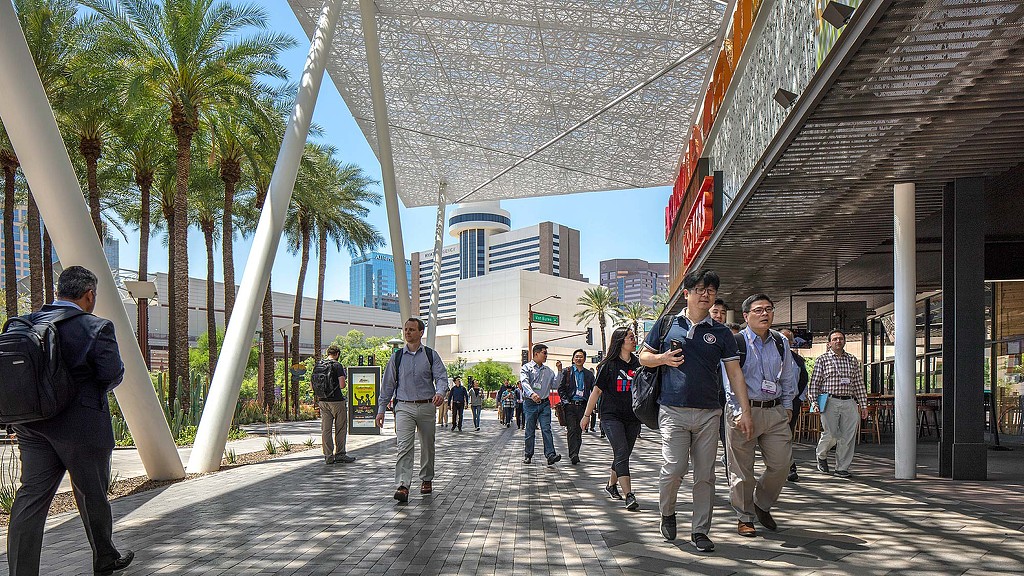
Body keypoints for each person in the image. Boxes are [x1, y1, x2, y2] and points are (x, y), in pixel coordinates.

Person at [7, 266, 135, 576]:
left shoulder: (25, 323)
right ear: (89, 295)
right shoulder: (96, 327)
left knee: (30, 498)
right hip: (83, 428)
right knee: (93, 495)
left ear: (59, 292)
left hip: (33, 427)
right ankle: (105, 559)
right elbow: (111, 374)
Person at [639, 269, 753, 553]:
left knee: (705, 475)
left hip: (709, 413)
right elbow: (643, 357)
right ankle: (667, 512)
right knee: (674, 469)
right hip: (672, 410)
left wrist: (745, 410)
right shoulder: (667, 324)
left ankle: (700, 530)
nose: (706, 294)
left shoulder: (721, 332)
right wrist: (663, 358)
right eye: (700, 289)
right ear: (686, 293)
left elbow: (735, 373)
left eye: (711, 290)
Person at [723, 294, 797, 537]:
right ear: (746, 316)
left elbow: (788, 376)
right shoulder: (735, 342)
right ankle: (745, 517)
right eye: (758, 310)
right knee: (742, 469)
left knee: (782, 464)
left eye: (768, 309)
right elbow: (729, 382)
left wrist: (787, 406)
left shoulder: (780, 341)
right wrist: (739, 412)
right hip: (744, 411)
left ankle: (761, 503)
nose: (765, 314)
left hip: (774, 411)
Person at [375, 318, 450, 502]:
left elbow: (441, 377)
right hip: (404, 407)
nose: (407, 332)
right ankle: (403, 485)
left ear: (421, 332)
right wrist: (381, 409)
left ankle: (426, 479)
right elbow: (388, 384)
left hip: (426, 406)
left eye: (411, 329)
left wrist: (440, 393)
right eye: (406, 329)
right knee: (404, 446)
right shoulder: (397, 357)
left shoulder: (431, 355)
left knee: (427, 445)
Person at [583, 328, 642, 511]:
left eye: (634, 337)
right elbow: (597, 391)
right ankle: (629, 495)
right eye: (630, 337)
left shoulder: (638, 364)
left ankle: (611, 485)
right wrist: (586, 415)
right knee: (622, 451)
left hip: (633, 417)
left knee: (623, 454)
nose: (634, 340)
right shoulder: (608, 365)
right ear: (620, 341)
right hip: (611, 416)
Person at [808, 329, 868, 478]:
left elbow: (859, 384)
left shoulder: (852, 360)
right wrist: (814, 402)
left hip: (849, 401)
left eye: (840, 338)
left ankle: (842, 467)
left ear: (844, 341)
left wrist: (863, 405)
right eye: (834, 339)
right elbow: (814, 383)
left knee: (848, 436)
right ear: (829, 343)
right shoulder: (822, 359)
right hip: (830, 401)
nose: (838, 341)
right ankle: (821, 454)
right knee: (832, 433)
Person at [520, 343, 561, 465]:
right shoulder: (526, 368)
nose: (546, 355)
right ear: (536, 353)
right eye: (544, 353)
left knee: (546, 429)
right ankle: (528, 454)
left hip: (544, 404)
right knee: (530, 430)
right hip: (530, 403)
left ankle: (550, 455)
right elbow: (524, 382)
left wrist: (559, 371)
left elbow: (555, 384)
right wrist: (532, 394)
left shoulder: (548, 371)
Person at [556, 349, 595, 465]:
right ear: (573, 359)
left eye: (581, 357)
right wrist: (565, 402)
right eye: (576, 356)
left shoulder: (589, 374)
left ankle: (576, 452)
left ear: (584, 359)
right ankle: (573, 454)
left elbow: (594, 390)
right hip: (570, 405)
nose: (578, 359)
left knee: (579, 430)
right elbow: (561, 388)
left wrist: (592, 405)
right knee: (572, 429)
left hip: (583, 406)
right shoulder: (567, 372)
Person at [779, 329, 809, 482]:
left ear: (792, 342)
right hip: (773, 402)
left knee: (786, 435)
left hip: (792, 403)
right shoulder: (771, 355)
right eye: (782, 338)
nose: (785, 342)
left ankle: (790, 467)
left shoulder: (798, 360)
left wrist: (799, 398)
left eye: (788, 339)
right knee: (775, 437)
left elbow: (804, 379)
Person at [318, 344, 355, 464]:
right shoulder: (337, 365)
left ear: (328, 353)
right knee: (340, 428)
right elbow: (342, 385)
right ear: (337, 354)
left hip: (323, 401)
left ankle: (328, 456)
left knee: (326, 429)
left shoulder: (319, 365)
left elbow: (312, 386)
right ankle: (340, 454)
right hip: (337, 401)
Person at [709, 298, 730, 470]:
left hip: (726, 398)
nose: (719, 316)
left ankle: (731, 476)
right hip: (706, 398)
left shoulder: (727, 337)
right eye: (715, 312)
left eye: (722, 313)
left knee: (728, 439)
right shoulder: (699, 336)